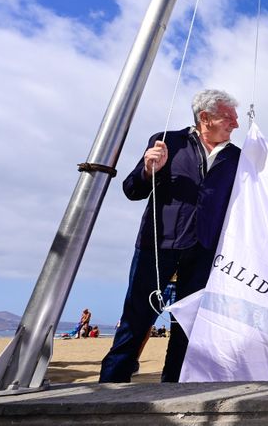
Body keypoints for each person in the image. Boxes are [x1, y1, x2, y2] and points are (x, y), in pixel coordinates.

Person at [99, 89, 241, 383]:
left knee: (189, 324)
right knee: (137, 317)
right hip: (157, 244)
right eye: (229, 117)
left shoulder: (237, 157)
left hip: (204, 251)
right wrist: (148, 171)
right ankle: (110, 386)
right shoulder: (167, 141)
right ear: (206, 117)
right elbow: (132, 190)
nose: (236, 124)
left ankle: (174, 388)